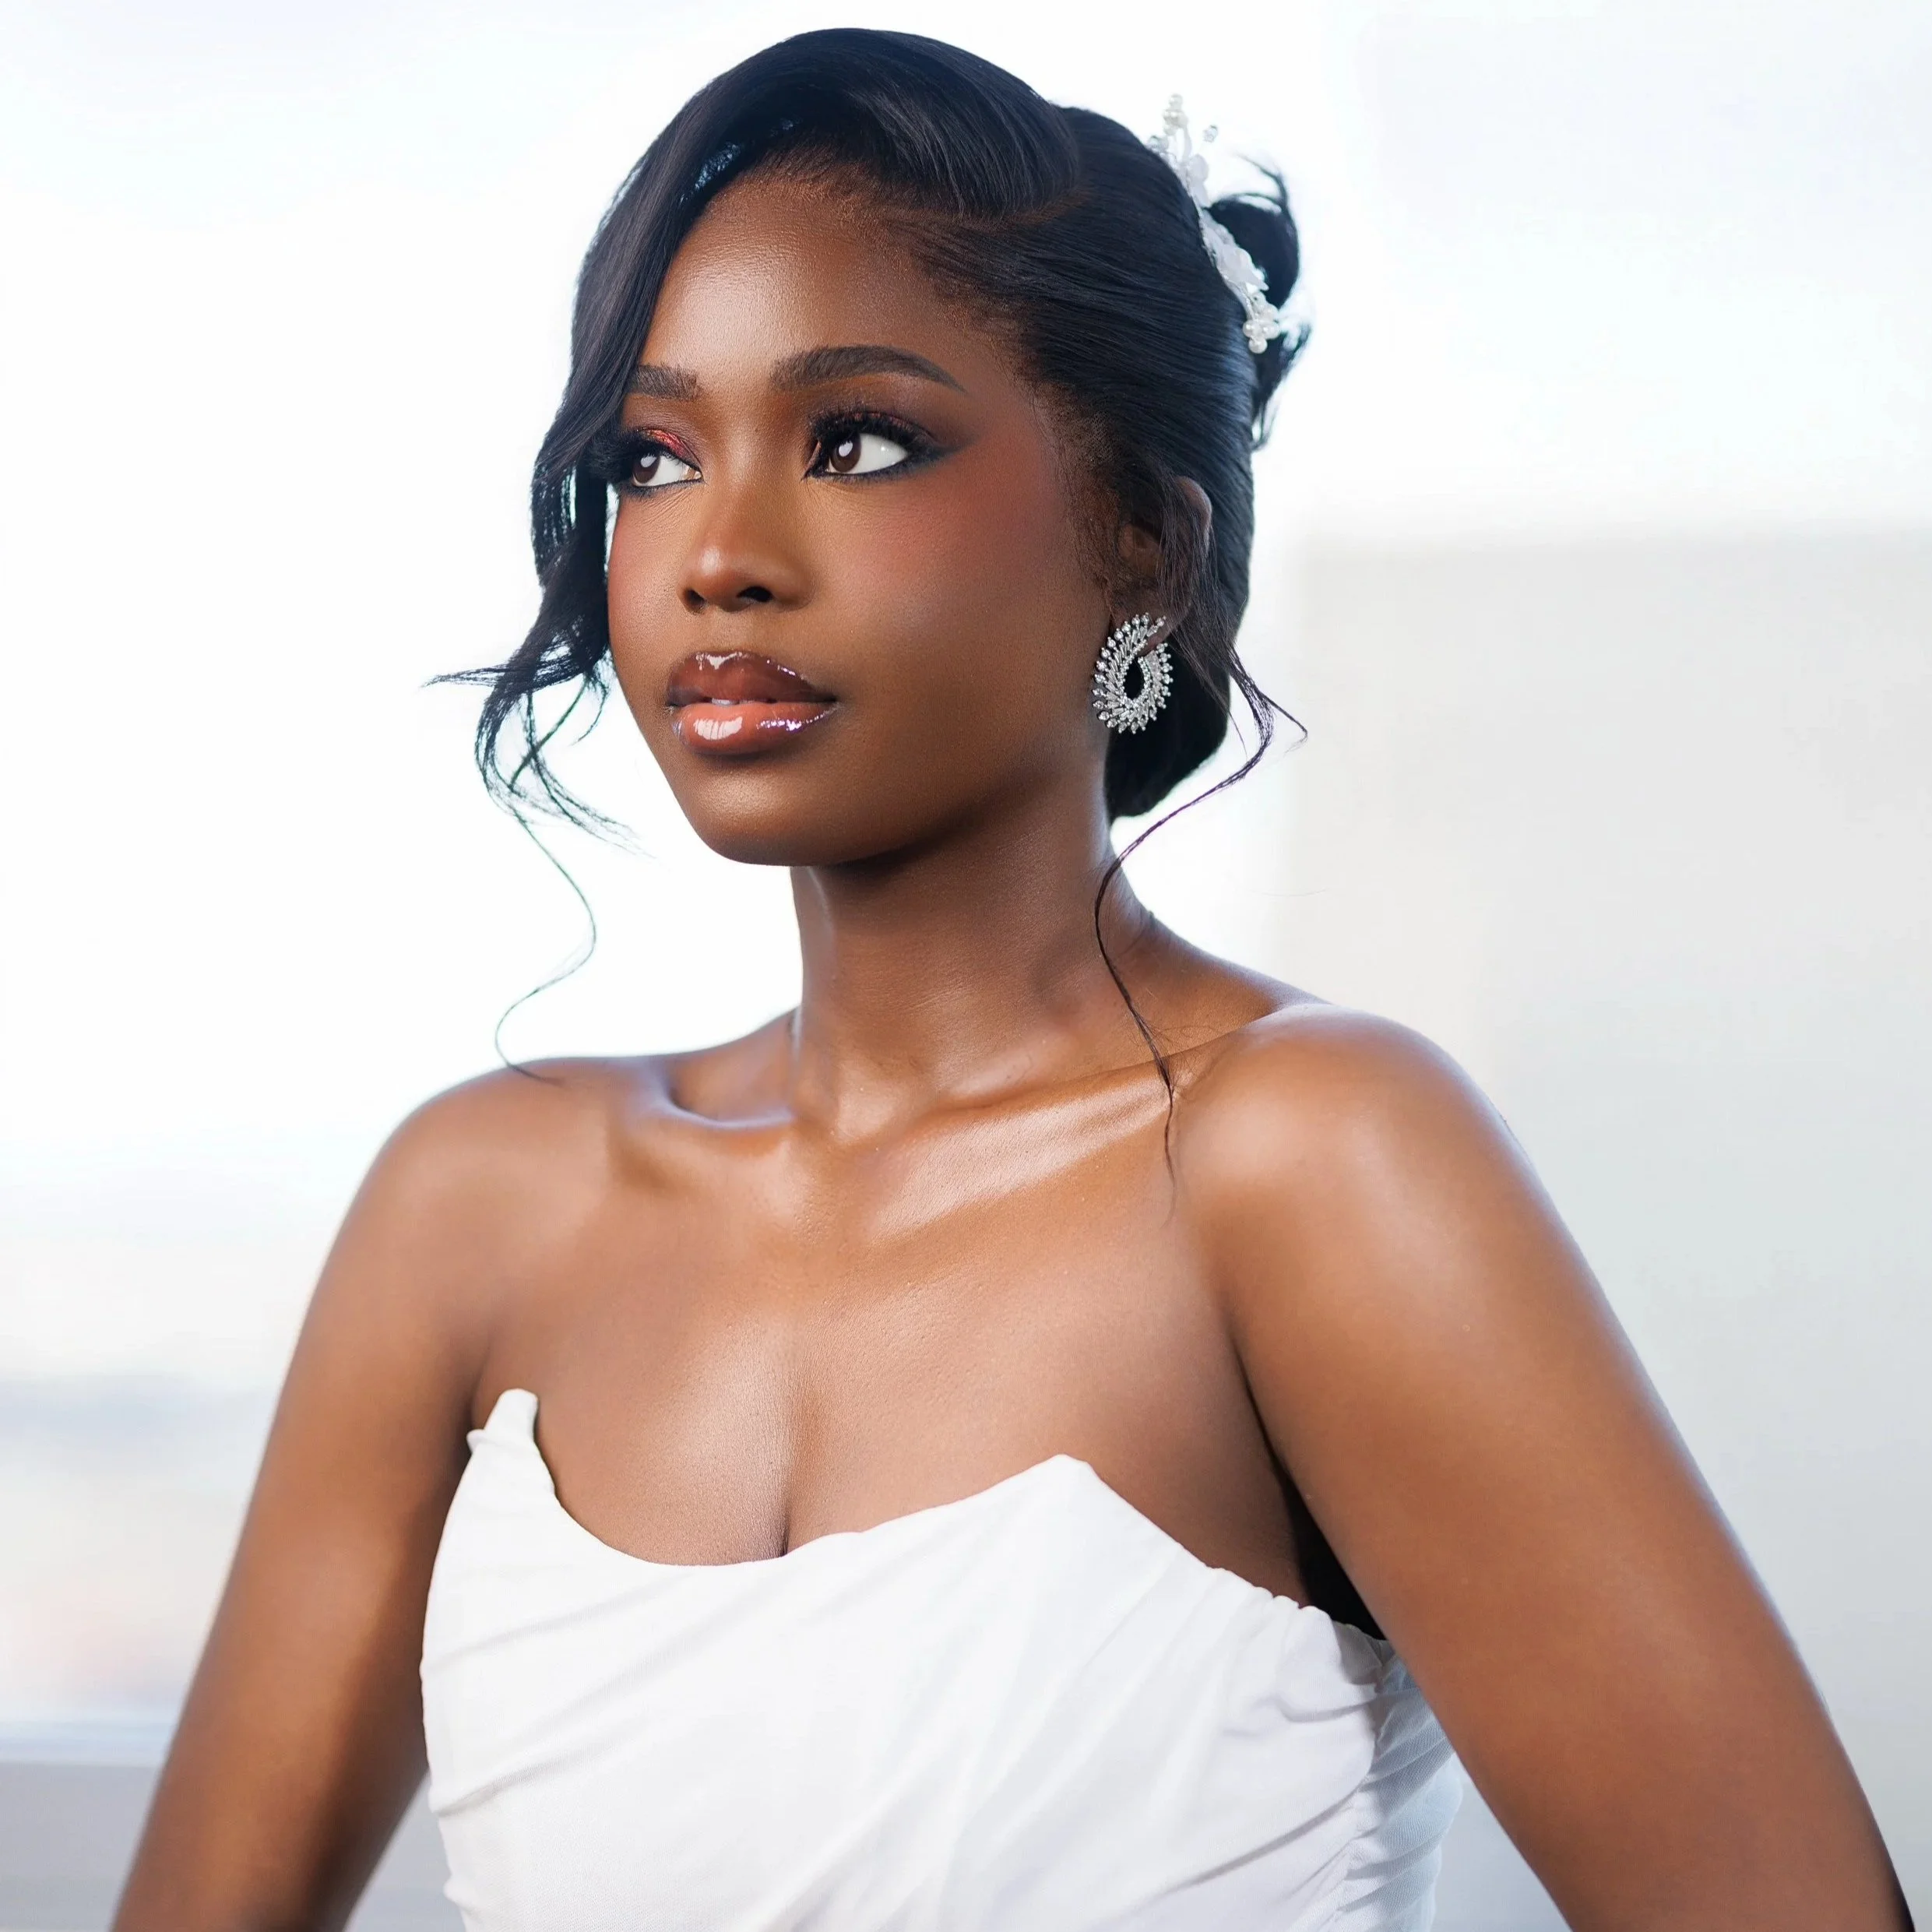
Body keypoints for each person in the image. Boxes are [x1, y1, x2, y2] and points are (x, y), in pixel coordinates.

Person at [114, 28, 1909, 1932]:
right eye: (651, 456)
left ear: (1142, 536)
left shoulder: (1308, 1162)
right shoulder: (476, 1206)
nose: (718, 554)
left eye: (857, 440)